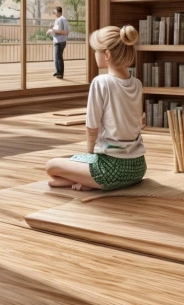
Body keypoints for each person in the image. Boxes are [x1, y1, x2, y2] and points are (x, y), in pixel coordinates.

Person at [46, 24, 147, 191]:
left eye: (96, 50)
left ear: (106, 54)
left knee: (51, 166)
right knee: (63, 173)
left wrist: (90, 153)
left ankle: (91, 181)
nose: (94, 54)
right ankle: (86, 182)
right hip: (137, 169)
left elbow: (92, 127)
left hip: (110, 169)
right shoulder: (137, 83)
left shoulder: (101, 82)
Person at [47, 6, 69, 79]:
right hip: (58, 41)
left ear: (58, 12)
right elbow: (59, 30)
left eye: (54, 12)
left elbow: (65, 32)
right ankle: (58, 72)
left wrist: (53, 30)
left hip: (60, 41)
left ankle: (59, 73)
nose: (54, 14)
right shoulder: (59, 20)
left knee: (58, 58)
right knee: (58, 58)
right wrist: (53, 28)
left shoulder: (62, 19)